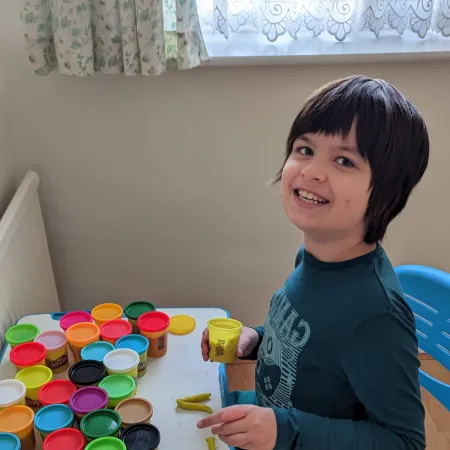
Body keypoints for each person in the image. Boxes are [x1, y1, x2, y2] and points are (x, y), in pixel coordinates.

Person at [197, 75, 429, 450]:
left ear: (386, 191)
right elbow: (312, 342)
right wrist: (255, 339)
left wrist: (285, 430)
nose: (312, 171)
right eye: (305, 150)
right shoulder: (315, 256)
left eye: (343, 160)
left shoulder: (376, 315)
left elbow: (405, 442)